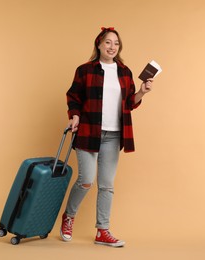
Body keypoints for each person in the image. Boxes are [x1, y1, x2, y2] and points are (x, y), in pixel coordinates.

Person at [60, 27, 154, 247]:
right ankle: (69, 216)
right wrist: (74, 115)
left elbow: (130, 102)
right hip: (88, 131)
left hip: (113, 135)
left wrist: (142, 92)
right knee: (86, 180)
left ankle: (102, 231)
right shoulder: (85, 70)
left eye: (116, 44)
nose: (112, 47)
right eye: (108, 43)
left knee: (107, 185)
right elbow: (73, 96)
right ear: (99, 45)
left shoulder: (124, 72)